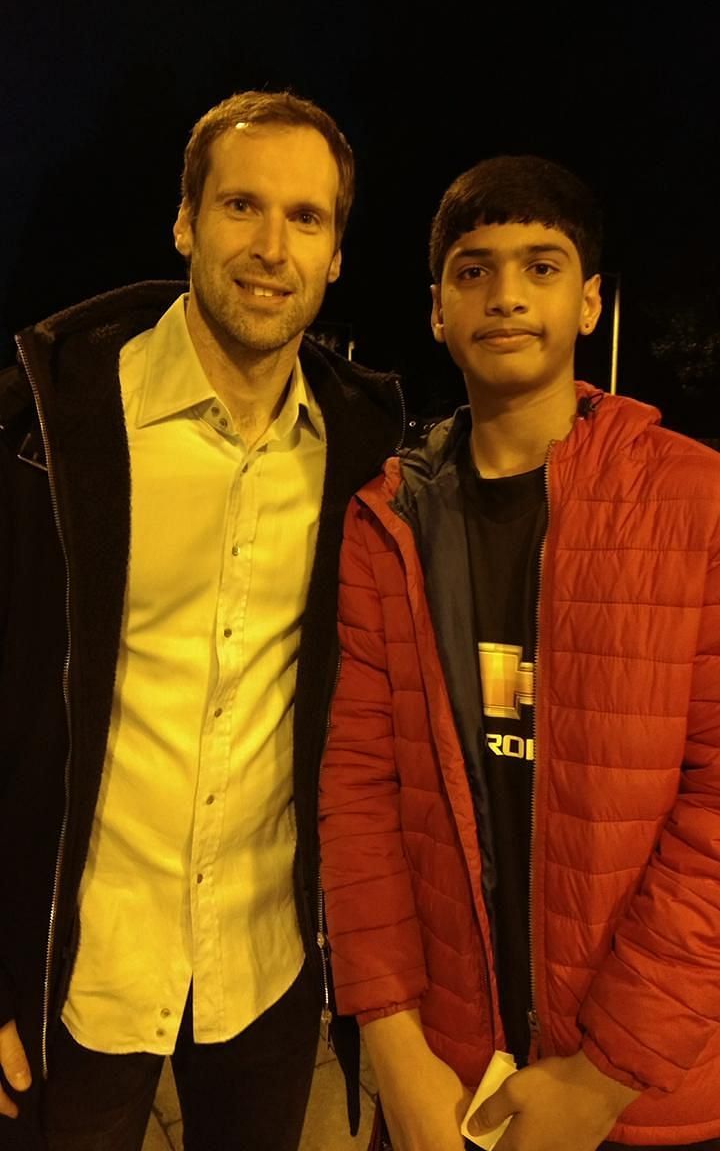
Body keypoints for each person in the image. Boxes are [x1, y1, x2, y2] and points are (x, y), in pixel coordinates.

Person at [0, 88, 404, 1151]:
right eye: (241, 206)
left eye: (306, 218)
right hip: (79, 969)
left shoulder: (360, 454)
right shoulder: (44, 431)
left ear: (337, 254)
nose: (272, 247)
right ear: (185, 222)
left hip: (263, 973)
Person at [319, 155, 720, 1151]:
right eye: (474, 269)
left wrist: (604, 1073)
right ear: (437, 312)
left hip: (646, 1089)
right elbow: (358, 791)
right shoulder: (386, 520)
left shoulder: (695, 499)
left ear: (589, 302)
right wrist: (394, 1044)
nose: (505, 295)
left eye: (541, 267)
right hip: (449, 1080)